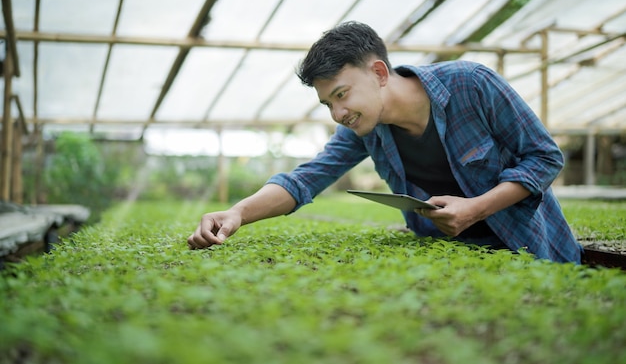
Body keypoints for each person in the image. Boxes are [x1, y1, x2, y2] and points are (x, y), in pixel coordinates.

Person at [187, 21, 582, 264]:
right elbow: (306, 179)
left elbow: (545, 157)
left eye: (341, 95)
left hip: (530, 250)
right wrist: (237, 212)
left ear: (378, 72)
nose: (337, 114)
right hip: (452, 260)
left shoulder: (471, 84)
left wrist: (478, 208)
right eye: (327, 104)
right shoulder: (365, 128)